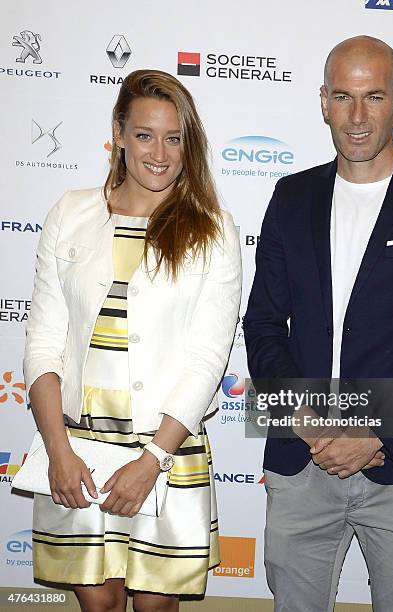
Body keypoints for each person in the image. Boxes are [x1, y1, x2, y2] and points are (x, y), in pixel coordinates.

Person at [244, 36, 393, 612]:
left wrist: (374, 431)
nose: (357, 116)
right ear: (323, 101)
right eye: (344, 97)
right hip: (301, 457)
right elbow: (264, 325)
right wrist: (308, 421)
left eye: (374, 97)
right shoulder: (290, 196)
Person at [23, 69, 241, 612]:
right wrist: (57, 450)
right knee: (99, 605)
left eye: (174, 138)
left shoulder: (212, 227)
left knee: (152, 607)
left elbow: (208, 359)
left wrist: (152, 461)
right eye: (145, 135)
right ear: (119, 133)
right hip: (78, 450)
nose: (161, 154)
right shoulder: (70, 212)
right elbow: (45, 343)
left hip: (164, 450)